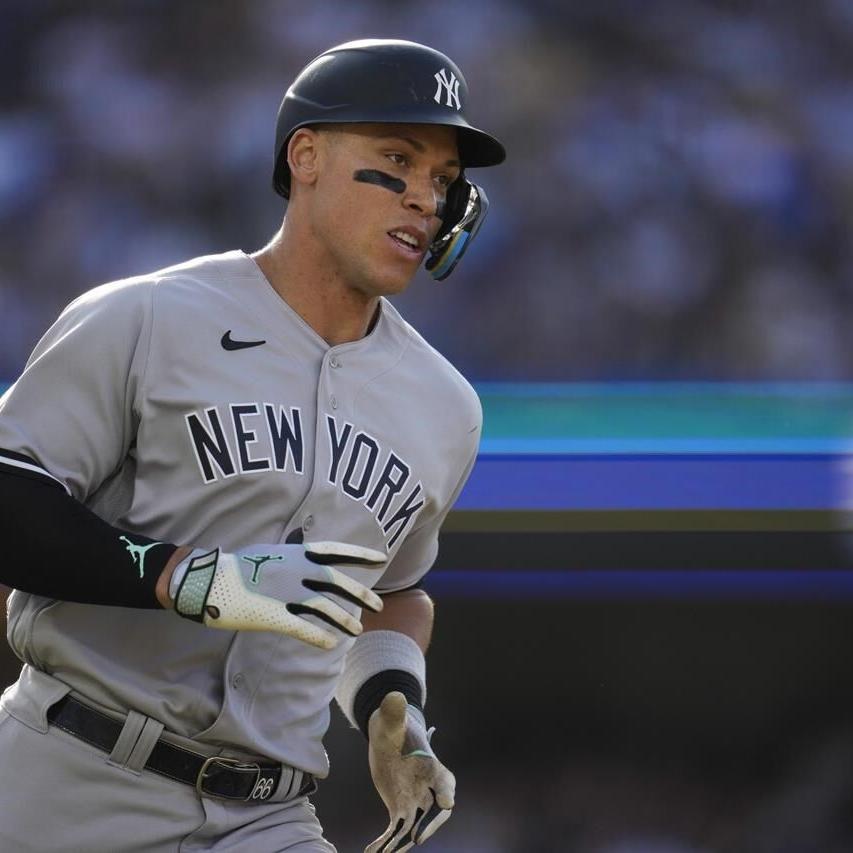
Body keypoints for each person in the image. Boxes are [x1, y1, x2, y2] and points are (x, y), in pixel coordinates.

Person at [0, 38, 504, 852]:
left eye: (443, 180)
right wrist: (191, 576)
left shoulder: (445, 407)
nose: (423, 198)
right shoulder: (147, 316)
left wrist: (391, 708)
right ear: (305, 156)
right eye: (397, 160)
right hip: (69, 777)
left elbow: (393, 593)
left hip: (266, 816)